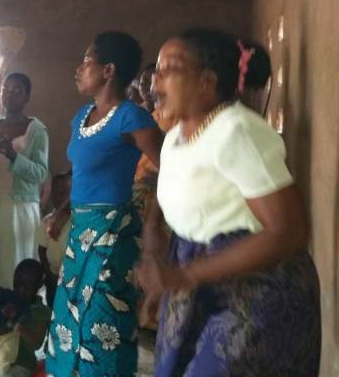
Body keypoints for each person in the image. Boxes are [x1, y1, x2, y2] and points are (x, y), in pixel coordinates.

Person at [135, 28, 320, 376]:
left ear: (206, 82)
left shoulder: (236, 131)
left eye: (169, 69)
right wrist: (155, 236)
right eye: (156, 68)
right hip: (198, 280)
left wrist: (182, 274)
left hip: (257, 289)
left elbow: (289, 230)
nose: (155, 80)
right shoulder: (176, 135)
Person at [45, 31, 163, 377]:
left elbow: (176, 170)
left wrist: (154, 225)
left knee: (102, 323)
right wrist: (62, 212)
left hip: (112, 236)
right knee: (69, 321)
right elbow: (81, 173)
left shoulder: (132, 118)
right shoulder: (83, 116)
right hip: (79, 234)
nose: (79, 69)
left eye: (87, 61)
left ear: (108, 70)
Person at [0, 73, 48, 289]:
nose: (10, 95)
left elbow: (40, 173)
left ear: (27, 97)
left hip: (21, 208)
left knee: (18, 261)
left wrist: (15, 157)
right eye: (6, 89)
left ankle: (18, 312)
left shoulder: (36, 130)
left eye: (17, 90)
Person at [5, 259, 51, 377]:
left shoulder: (42, 312)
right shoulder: (7, 302)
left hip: (22, 363)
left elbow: (36, 343)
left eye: (27, 285)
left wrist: (16, 323)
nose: (21, 288)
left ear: (39, 285)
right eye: (17, 283)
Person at [34, 171, 71, 307]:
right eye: (55, 193)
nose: (59, 197)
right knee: (53, 306)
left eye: (64, 193)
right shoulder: (46, 222)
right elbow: (42, 250)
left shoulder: (78, 222)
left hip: (72, 276)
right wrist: (48, 273)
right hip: (53, 276)